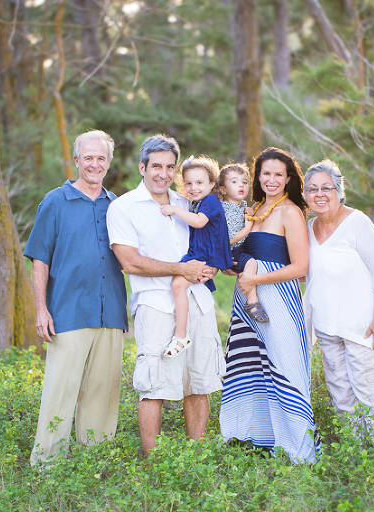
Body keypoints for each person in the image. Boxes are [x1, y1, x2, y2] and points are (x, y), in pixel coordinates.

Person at [106, 134, 225, 456]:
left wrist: (212, 266)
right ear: (142, 168)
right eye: (156, 166)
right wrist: (180, 269)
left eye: (170, 167)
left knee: (198, 384)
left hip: (197, 302)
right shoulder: (123, 207)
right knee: (153, 385)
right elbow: (129, 262)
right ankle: (153, 464)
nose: (163, 173)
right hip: (155, 305)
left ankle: (196, 458)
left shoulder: (189, 204)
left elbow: (209, 242)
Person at [25, 130, 128, 466]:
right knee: (59, 393)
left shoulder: (117, 206)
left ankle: (93, 467)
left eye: (101, 158)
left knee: (103, 394)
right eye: (88, 158)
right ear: (76, 161)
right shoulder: (55, 201)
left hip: (110, 312)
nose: (94, 164)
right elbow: (39, 259)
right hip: (67, 311)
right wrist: (41, 309)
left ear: (109, 163)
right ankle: (46, 468)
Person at [219, 147, 320, 463]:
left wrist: (255, 281)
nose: (272, 179)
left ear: (288, 178)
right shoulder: (254, 209)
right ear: (257, 177)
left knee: (286, 367)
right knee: (249, 366)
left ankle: (298, 451)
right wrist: (229, 265)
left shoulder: (291, 212)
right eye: (266, 173)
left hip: (278, 299)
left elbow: (300, 267)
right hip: (246, 301)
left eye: (279, 174)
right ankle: (254, 439)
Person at [302, 159, 374, 442]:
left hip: (365, 328)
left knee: (373, 395)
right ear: (305, 196)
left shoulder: (357, 222)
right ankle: (355, 456)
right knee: (341, 396)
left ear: (339, 191)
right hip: (329, 328)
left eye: (327, 188)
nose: (320, 194)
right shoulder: (310, 228)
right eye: (312, 189)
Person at [161, 156, 232, 357]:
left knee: (177, 285)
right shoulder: (198, 202)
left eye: (200, 183)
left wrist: (174, 210)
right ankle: (182, 333)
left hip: (204, 254)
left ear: (212, 183)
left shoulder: (209, 201)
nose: (194, 187)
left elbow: (199, 222)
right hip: (201, 252)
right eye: (189, 183)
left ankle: (181, 335)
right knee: (179, 286)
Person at [217, 163, 267, 322]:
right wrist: (247, 229)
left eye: (244, 182)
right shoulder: (226, 210)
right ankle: (252, 302)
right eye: (234, 182)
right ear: (223, 190)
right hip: (231, 251)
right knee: (251, 264)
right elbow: (228, 240)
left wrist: (249, 212)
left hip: (238, 249)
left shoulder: (240, 205)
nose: (241, 185)